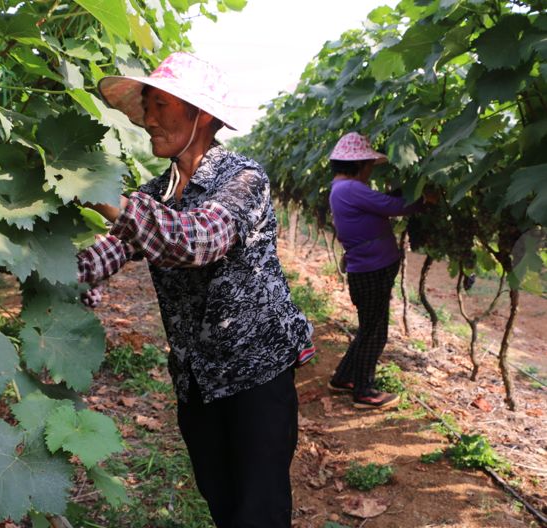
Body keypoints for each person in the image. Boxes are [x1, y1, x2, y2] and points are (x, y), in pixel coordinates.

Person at [76, 52, 315, 528]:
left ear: (200, 114)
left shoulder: (245, 180)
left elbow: (195, 241)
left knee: (259, 511)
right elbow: (109, 252)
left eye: (160, 104)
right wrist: (49, 269)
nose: (148, 118)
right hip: (197, 377)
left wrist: (106, 199)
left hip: (256, 372)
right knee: (221, 500)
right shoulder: (155, 194)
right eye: (146, 105)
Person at [326, 132, 424, 409]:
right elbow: (393, 207)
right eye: (368, 164)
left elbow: (379, 204)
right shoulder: (351, 188)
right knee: (376, 331)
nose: (370, 169)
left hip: (366, 268)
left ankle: (343, 378)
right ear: (357, 164)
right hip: (372, 269)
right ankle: (364, 391)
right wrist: (423, 199)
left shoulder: (341, 187)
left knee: (368, 328)